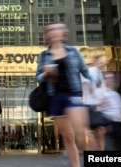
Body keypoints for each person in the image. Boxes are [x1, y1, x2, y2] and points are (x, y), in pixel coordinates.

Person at [36, 22, 91, 167]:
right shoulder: (43, 55)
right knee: (68, 137)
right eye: (50, 30)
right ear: (47, 35)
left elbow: (85, 71)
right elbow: (38, 77)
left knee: (80, 135)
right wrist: (46, 74)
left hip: (73, 93)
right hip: (54, 97)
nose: (54, 32)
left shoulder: (73, 51)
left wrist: (95, 84)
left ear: (63, 33)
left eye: (57, 29)